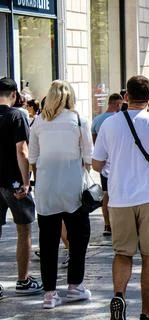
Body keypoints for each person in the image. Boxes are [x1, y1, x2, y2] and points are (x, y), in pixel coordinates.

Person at [92, 75, 149, 320]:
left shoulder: (109, 124)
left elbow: (96, 164)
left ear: (126, 97)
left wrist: (114, 163)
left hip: (119, 198)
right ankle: (147, 312)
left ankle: (119, 295)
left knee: (123, 253)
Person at [29, 80, 93, 309]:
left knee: (47, 242)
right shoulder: (78, 120)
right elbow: (88, 159)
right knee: (79, 237)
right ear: (70, 97)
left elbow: (33, 159)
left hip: (46, 189)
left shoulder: (38, 122)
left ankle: (49, 294)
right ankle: (75, 286)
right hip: (72, 189)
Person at [0, 77, 43, 298]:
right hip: (13, 183)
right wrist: (26, 181)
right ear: (15, 94)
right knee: (23, 229)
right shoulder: (18, 115)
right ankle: (23, 280)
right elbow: (22, 150)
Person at [91, 93, 123, 237]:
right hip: (118, 161)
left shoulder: (97, 120)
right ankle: (118, 223)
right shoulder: (120, 120)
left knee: (106, 194)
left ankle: (107, 224)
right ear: (117, 104)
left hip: (104, 163)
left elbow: (95, 142)